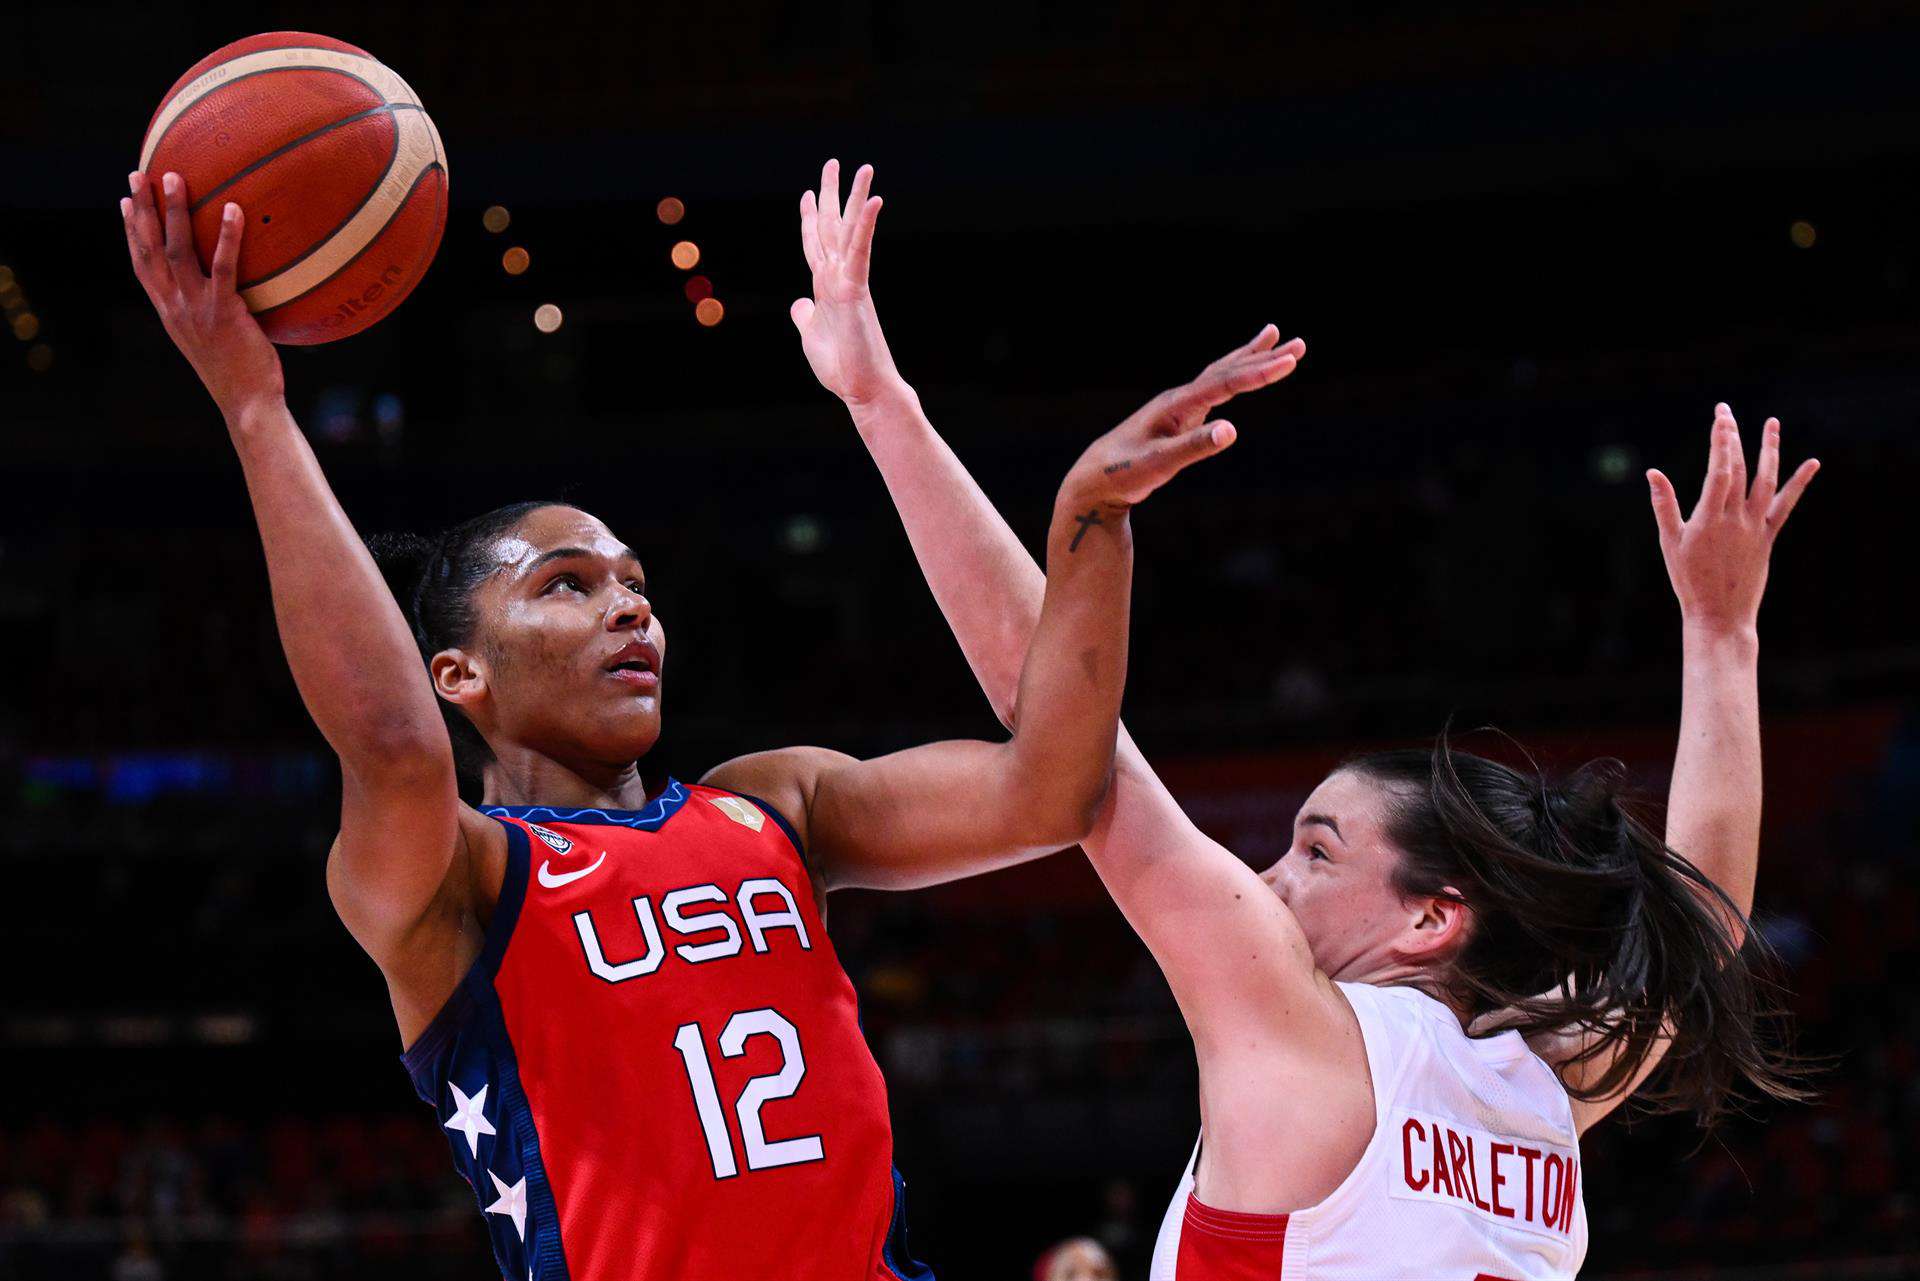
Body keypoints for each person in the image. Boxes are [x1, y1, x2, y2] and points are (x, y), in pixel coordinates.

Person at [117, 161, 1237, 1281]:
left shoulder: (776, 803)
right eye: (567, 584)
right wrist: (254, 409)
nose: (629, 605)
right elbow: (393, 746)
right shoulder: (458, 879)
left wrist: (1085, 518)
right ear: (457, 673)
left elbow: (1052, 786)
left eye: (635, 581)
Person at [790, 164, 1819, 1280]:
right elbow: (1702, 926)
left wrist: (910, 422)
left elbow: (1064, 740)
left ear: (1432, 920)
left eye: (1317, 849)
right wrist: (1724, 639)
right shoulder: (1546, 1089)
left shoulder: (1298, 1025)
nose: (1269, 878)